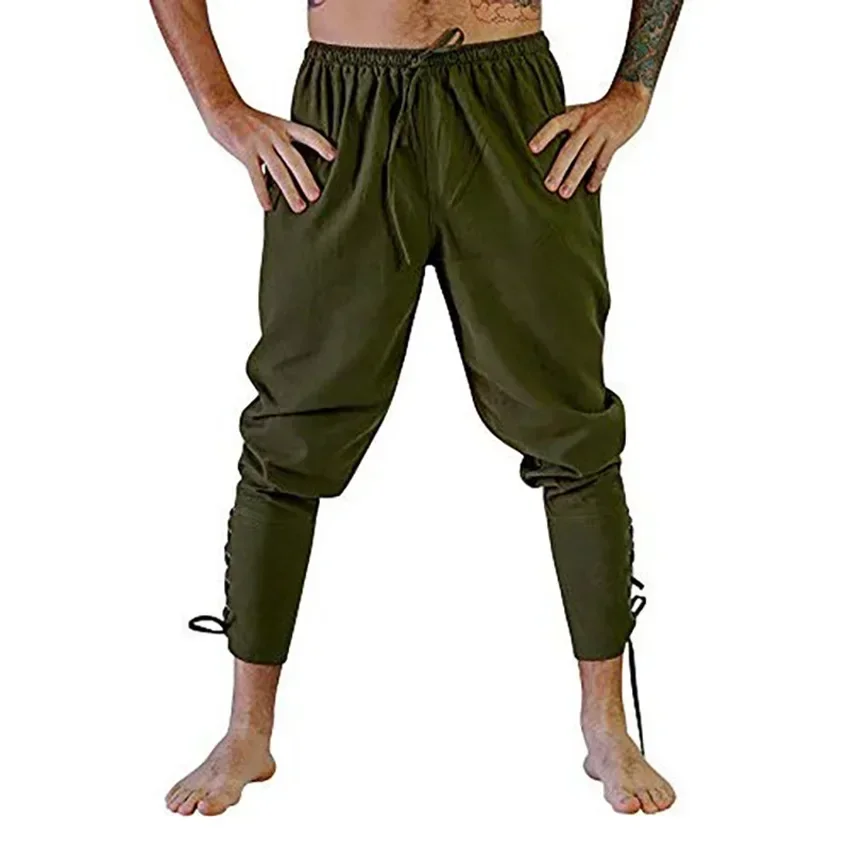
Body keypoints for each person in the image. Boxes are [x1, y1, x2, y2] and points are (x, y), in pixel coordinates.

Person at [151, 0, 683, 817]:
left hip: (513, 104)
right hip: (344, 113)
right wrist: (221, 107)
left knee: (570, 424)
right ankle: (246, 732)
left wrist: (633, 91)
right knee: (291, 430)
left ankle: (606, 725)